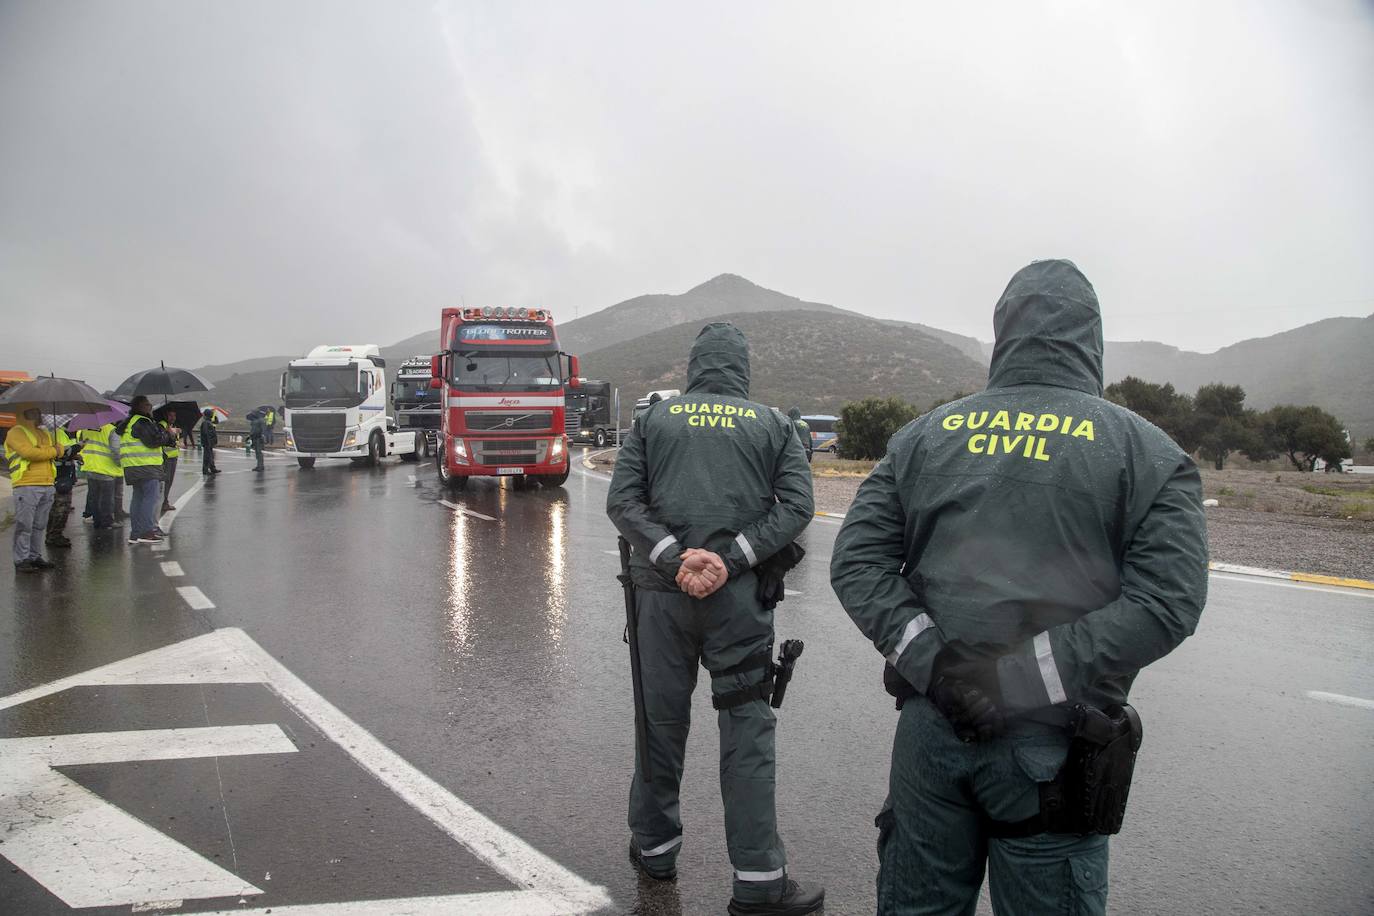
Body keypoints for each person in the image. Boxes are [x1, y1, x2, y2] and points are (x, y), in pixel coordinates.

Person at [829, 260, 1209, 915]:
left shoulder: (922, 438)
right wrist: (1013, 683)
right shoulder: (1148, 453)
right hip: (1053, 754)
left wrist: (939, 669)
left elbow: (857, 561)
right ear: (1092, 341)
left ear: (1003, 336)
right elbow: (1167, 599)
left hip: (933, 730)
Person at [606, 322, 823, 916]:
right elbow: (800, 506)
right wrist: (731, 561)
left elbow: (621, 502)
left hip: (661, 599)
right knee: (747, 734)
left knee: (659, 725)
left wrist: (676, 559)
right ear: (741, 369)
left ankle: (655, 850)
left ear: (694, 366)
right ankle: (759, 884)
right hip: (739, 606)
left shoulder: (654, 420)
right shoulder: (774, 424)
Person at [6, 407, 70, 572]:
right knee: (25, 525)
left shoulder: (44, 433)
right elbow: (30, 453)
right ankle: (22, 559)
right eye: (35, 412)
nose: (39, 415)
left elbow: (58, 451)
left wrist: (55, 450)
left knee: (39, 525)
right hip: (26, 483)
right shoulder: (16, 432)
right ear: (25, 413)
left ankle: (35, 556)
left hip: (47, 483)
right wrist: (53, 450)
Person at [119, 396, 175, 543]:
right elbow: (154, 440)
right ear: (138, 406)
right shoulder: (142, 422)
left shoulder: (129, 422)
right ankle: (146, 531)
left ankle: (136, 532)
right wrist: (168, 435)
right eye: (146, 404)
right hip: (146, 466)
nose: (150, 406)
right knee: (150, 498)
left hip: (132, 465)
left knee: (138, 498)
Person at [76, 420, 122, 529]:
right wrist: (120, 463)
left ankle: (97, 521)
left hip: (90, 466)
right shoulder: (110, 429)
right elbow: (116, 450)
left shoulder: (84, 428)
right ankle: (107, 522)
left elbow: (80, 444)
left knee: (94, 497)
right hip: (106, 468)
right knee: (106, 498)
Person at [44, 425, 80, 549]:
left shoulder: (61, 432)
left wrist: (75, 454)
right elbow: (62, 453)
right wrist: (78, 447)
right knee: (61, 506)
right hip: (60, 474)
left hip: (64, 472)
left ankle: (53, 534)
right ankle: (54, 535)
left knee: (58, 507)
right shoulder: (56, 432)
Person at [158, 411, 181, 514]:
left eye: (175, 415)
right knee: (164, 481)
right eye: (170, 415)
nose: (173, 417)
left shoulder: (172, 426)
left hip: (174, 457)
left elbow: (174, 441)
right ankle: (162, 502)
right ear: (165, 415)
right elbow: (163, 439)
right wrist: (170, 432)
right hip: (166, 458)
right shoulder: (162, 425)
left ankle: (165, 501)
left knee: (169, 481)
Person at [199, 409, 220, 475]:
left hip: (209, 443)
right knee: (207, 456)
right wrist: (208, 442)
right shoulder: (206, 423)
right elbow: (206, 433)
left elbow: (216, 422)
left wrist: (215, 417)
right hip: (207, 443)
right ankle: (205, 470)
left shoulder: (209, 422)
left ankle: (212, 468)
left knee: (210, 456)